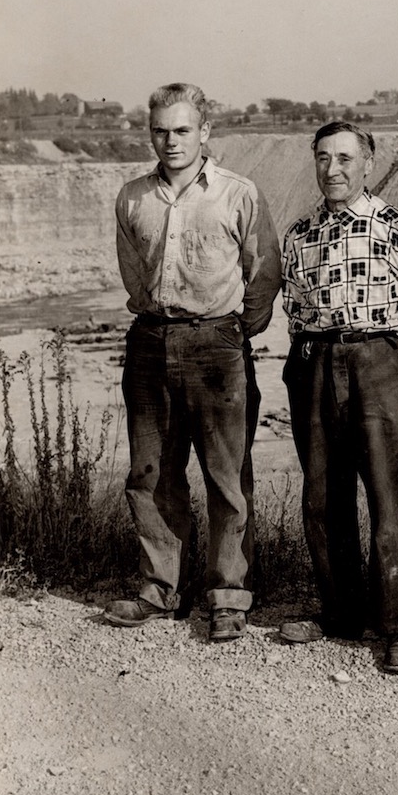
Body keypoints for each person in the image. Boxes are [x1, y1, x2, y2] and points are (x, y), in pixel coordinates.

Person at [104, 83, 281, 640]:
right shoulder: (132, 197)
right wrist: (161, 321)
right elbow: (133, 274)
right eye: (160, 130)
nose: (170, 140)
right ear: (149, 132)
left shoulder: (238, 192)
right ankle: (161, 589)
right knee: (152, 475)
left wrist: (230, 331)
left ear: (205, 132)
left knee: (227, 477)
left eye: (182, 130)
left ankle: (228, 597)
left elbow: (265, 273)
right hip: (150, 344)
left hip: (217, 348)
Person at [278, 121, 398, 674]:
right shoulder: (299, 234)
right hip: (314, 362)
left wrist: (392, 365)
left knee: (387, 497)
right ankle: (341, 615)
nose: (334, 169)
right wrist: (315, 362)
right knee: (323, 498)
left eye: (346, 158)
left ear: (369, 162)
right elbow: (295, 312)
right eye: (323, 158)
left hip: (380, 364)